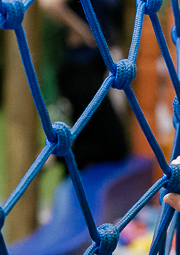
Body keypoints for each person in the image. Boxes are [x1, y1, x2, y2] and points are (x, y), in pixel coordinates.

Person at [40, 0, 129, 170]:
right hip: (79, 70)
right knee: (115, 146)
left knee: (88, 136)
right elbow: (49, 4)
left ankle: (64, 167)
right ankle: (52, 156)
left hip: (94, 67)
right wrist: (81, 30)